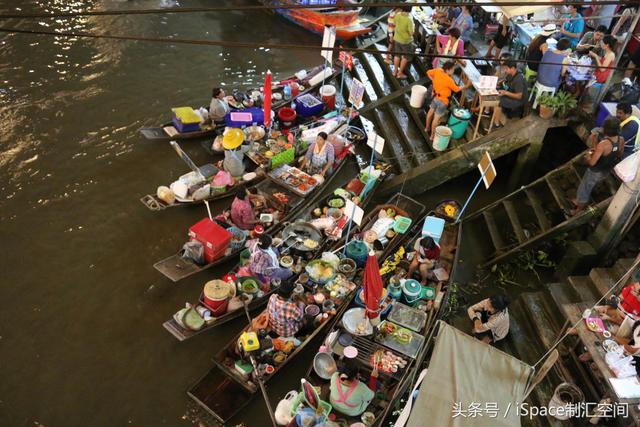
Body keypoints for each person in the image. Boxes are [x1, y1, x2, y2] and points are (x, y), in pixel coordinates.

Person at [570, 117, 623, 215]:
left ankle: (578, 209)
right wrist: (596, 145)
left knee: (585, 188)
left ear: (606, 129)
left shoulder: (603, 144)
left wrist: (588, 157)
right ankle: (578, 200)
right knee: (590, 185)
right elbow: (619, 154)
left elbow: (592, 163)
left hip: (595, 171)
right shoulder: (621, 140)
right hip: (606, 170)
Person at [425, 61, 470, 141]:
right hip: (443, 101)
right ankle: (432, 136)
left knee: (430, 112)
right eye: (452, 69)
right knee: (436, 119)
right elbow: (456, 89)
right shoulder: (449, 80)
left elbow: (428, 72)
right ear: (448, 70)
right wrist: (465, 86)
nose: (453, 71)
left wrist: (434, 80)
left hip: (435, 97)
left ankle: (427, 128)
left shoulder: (438, 70)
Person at [488, 60, 527, 130]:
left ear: (512, 68)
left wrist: (505, 93)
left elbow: (519, 96)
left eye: (506, 69)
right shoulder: (511, 73)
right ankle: (489, 112)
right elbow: (505, 80)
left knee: (499, 101)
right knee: (494, 92)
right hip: (511, 92)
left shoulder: (519, 79)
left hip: (519, 100)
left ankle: (496, 124)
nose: (505, 70)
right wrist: (499, 83)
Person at [587, 35, 617, 101]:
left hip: (601, 76)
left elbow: (602, 69)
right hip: (599, 73)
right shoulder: (607, 52)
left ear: (607, 45)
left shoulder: (611, 54)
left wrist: (595, 56)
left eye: (602, 42)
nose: (601, 43)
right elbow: (604, 61)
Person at [392, 6, 414, 80]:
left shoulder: (397, 14)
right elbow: (411, 33)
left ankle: (395, 71)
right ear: (409, 11)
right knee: (405, 57)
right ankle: (400, 73)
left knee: (397, 55)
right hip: (406, 41)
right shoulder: (409, 20)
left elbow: (394, 23)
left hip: (397, 38)